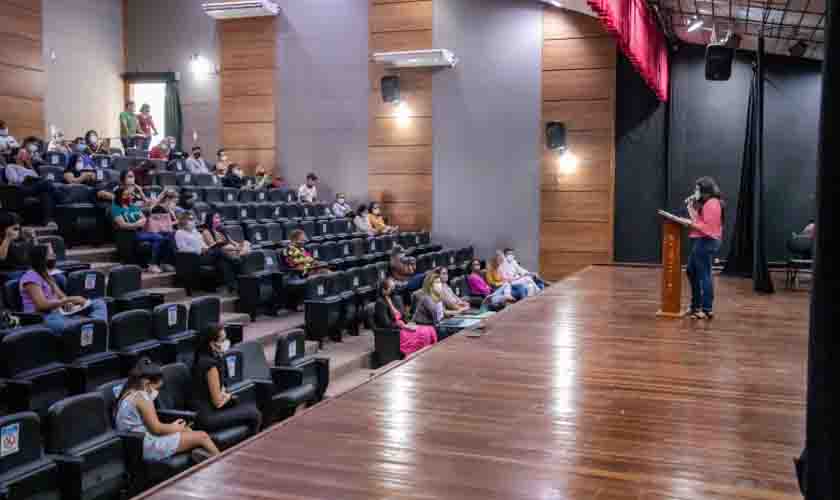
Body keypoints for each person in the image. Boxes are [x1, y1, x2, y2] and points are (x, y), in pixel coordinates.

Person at [115, 357, 219, 464]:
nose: (156, 392)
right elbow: (156, 429)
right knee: (202, 436)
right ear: (146, 383)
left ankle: (204, 458)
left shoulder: (128, 391)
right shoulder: (142, 398)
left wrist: (176, 428)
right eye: (156, 388)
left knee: (188, 431)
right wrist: (175, 427)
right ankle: (221, 463)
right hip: (147, 446)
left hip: (137, 444)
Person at [19, 244, 107, 334]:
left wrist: (68, 303)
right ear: (41, 258)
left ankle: (96, 326)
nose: (54, 256)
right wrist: (69, 300)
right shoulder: (30, 277)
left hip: (59, 312)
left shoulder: (46, 275)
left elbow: (61, 296)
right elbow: (42, 305)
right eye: (50, 254)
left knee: (98, 303)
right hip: (44, 316)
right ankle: (91, 328)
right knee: (74, 328)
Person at [192, 325, 262, 437]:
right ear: (212, 344)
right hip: (208, 417)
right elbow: (218, 402)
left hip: (211, 410)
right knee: (255, 414)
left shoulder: (208, 358)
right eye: (222, 340)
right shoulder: (209, 366)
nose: (226, 342)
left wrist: (225, 395)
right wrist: (228, 396)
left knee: (247, 406)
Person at [684, 176, 724, 320]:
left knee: (704, 274)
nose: (695, 191)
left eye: (697, 189)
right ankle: (695, 305)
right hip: (703, 240)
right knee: (691, 271)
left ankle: (706, 309)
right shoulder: (707, 203)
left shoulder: (712, 203)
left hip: (707, 241)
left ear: (705, 190)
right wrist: (690, 207)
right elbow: (699, 221)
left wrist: (690, 224)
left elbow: (708, 228)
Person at [374, 277, 438, 356]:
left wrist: (409, 323)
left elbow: (403, 316)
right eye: (391, 287)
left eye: (393, 287)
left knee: (429, 329)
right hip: (395, 331)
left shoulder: (396, 298)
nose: (393, 289)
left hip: (403, 326)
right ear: (383, 290)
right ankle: (420, 354)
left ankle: (428, 351)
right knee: (423, 333)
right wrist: (403, 326)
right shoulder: (380, 303)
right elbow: (386, 323)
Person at [175, 212, 238, 292]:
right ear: (184, 221)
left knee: (222, 262)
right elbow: (183, 249)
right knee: (220, 252)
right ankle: (234, 260)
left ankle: (232, 286)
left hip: (205, 254)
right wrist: (198, 250)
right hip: (194, 258)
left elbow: (202, 243)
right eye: (190, 220)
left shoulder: (195, 231)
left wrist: (206, 248)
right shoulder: (179, 233)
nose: (193, 222)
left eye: (193, 219)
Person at [112, 186, 166, 273]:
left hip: (138, 232)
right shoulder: (115, 208)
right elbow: (122, 224)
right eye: (126, 195)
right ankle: (152, 264)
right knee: (157, 238)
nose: (129, 196)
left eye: (130, 194)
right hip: (126, 234)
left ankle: (154, 263)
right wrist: (136, 224)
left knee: (161, 237)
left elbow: (143, 218)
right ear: (119, 196)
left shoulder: (132, 206)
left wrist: (137, 224)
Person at [201, 212, 249, 291]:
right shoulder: (206, 232)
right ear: (210, 219)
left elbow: (232, 242)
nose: (218, 220)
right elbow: (213, 247)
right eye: (216, 218)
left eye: (219, 218)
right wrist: (228, 246)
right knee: (225, 261)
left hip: (228, 252)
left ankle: (235, 284)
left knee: (246, 243)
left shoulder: (221, 230)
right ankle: (239, 283)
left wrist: (238, 246)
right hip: (215, 254)